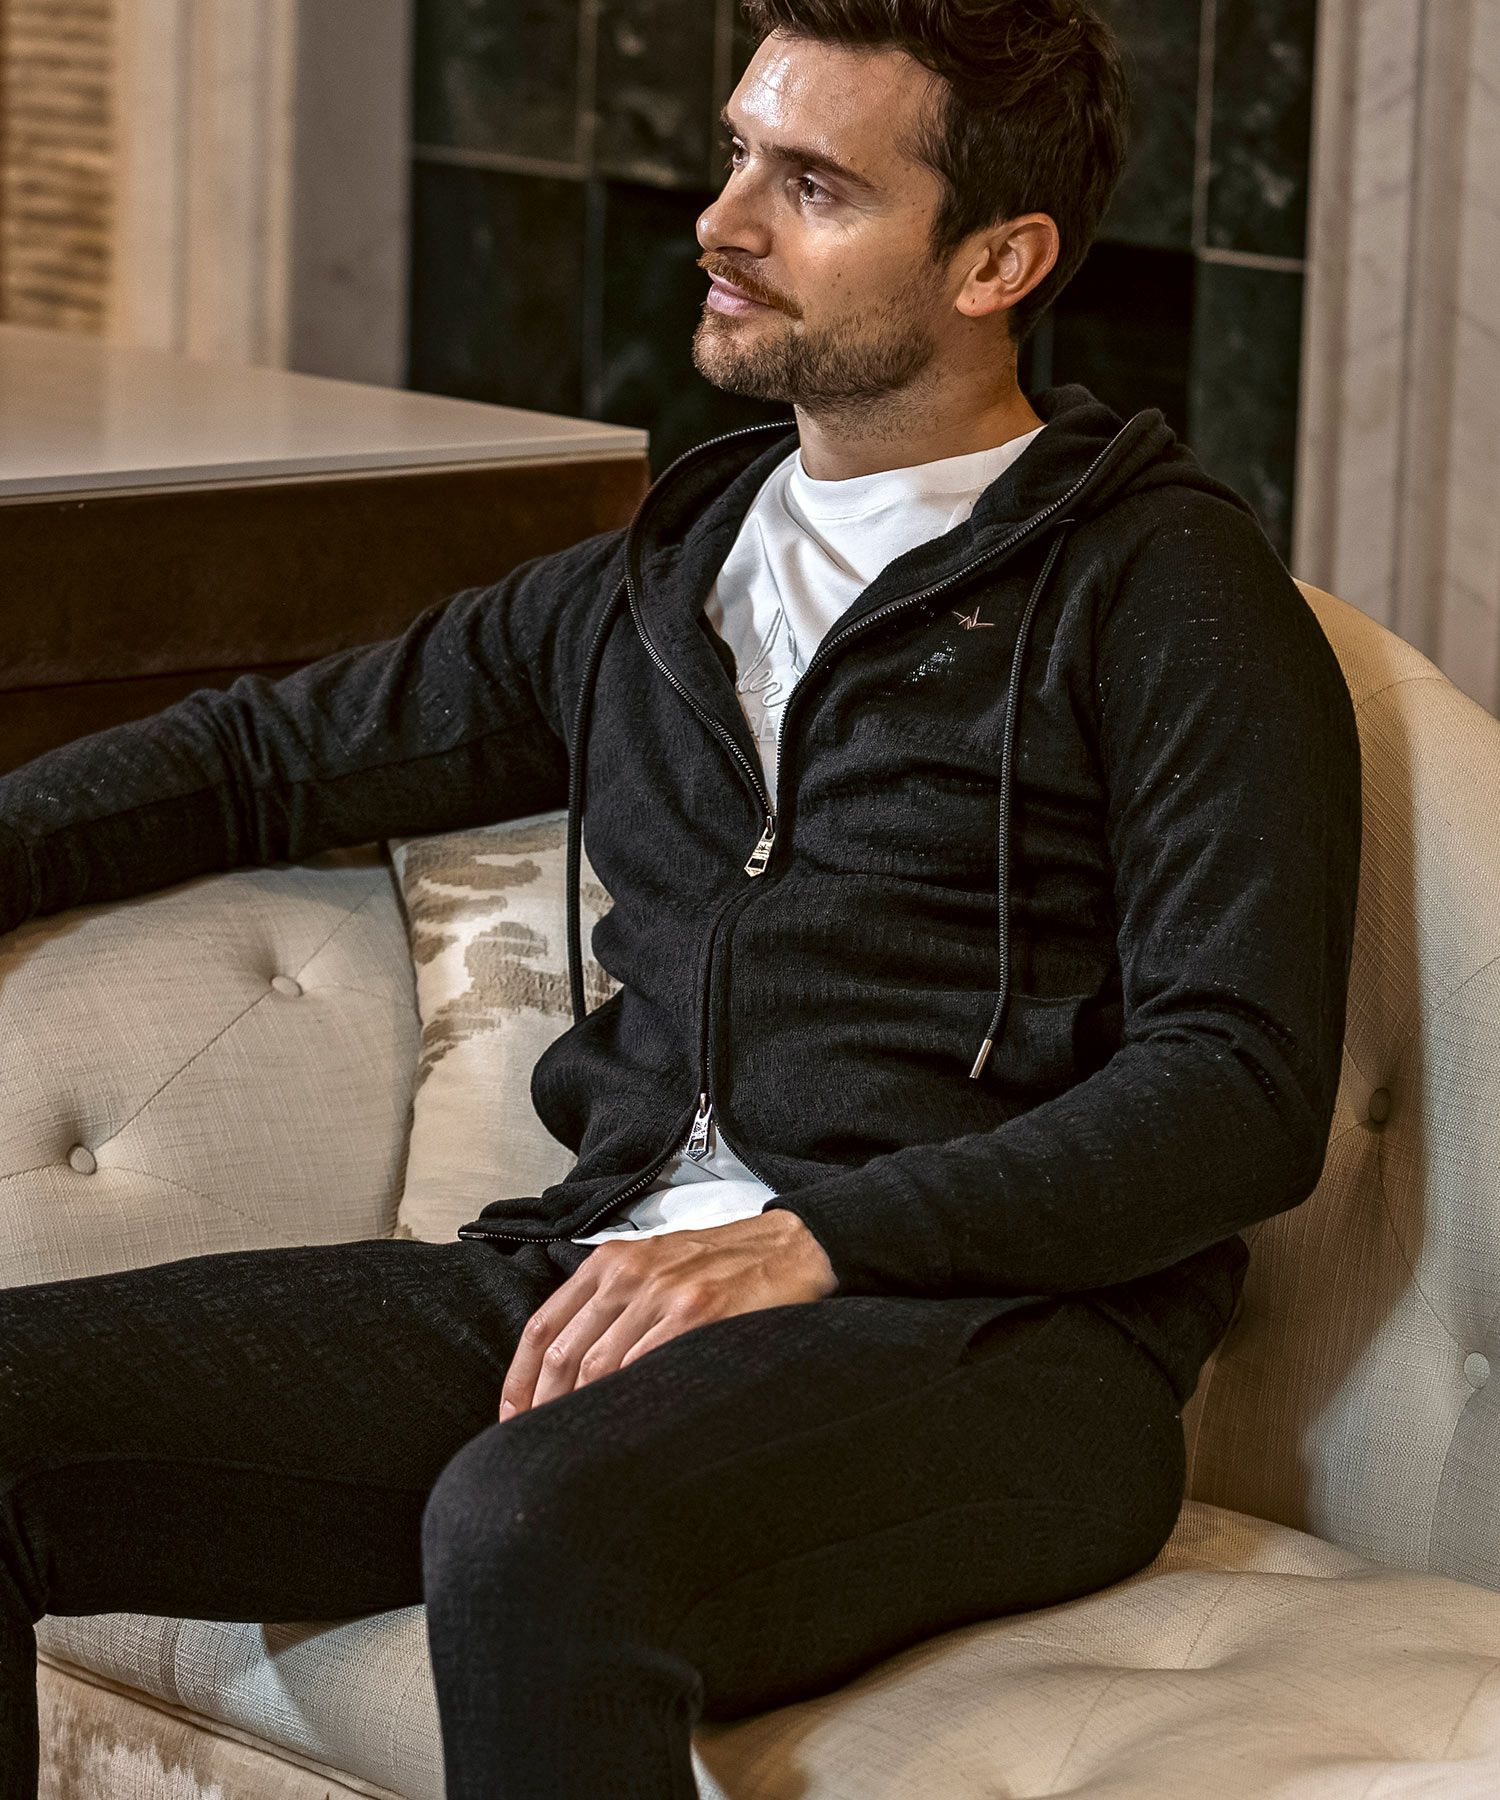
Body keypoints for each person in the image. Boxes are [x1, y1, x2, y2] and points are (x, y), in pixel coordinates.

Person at [0, 3, 1362, 1795]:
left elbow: (1240, 1083)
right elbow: (266, 758)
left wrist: (817, 1239)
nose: (722, 221)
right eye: (736, 153)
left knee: (531, 1524)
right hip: (603, 1277)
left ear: (997, 262)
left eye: (813, 185)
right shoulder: (660, 579)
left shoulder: (1163, 587)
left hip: (997, 1345)